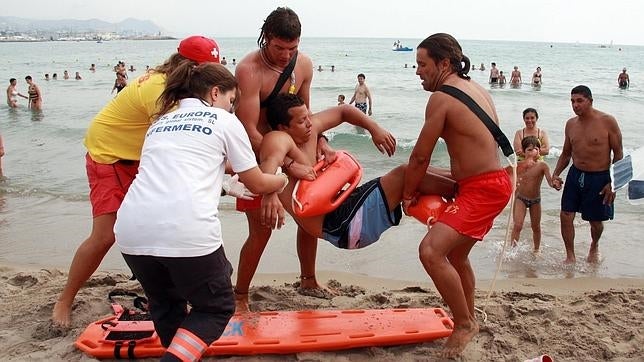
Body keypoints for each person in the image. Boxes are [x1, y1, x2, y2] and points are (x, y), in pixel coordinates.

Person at [114, 61, 288, 362]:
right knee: (217, 305)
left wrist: (223, 185)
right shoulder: (223, 120)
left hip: (131, 231)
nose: (232, 108)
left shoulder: (160, 122)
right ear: (215, 92)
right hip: (185, 232)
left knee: (167, 303)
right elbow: (258, 182)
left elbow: (174, 174)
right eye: (231, 101)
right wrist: (281, 178)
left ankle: (179, 355)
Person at [51, 35, 223, 328]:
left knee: (169, 223)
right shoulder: (160, 89)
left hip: (139, 157)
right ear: (188, 66)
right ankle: (64, 300)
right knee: (105, 236)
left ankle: (174, 295)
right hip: (108, 154)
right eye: (204, 70)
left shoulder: (178, 86)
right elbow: (181, 142)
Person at [402, 33, 512, 357]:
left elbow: (420, 157)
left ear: (444, 63)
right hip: (488, 183)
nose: (417, 71)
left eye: (422, 64)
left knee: (431, 251)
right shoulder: (475, 88)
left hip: (483, 189)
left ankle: (464, 323)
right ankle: (470, 316)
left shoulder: (441, 98)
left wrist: (409, 194)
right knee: (456, 256)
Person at [260, 93, 455, 249]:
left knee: (415, 170)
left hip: (348, 210)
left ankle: (461, 180)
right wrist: (269, 194)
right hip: (340, 226)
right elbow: (270, 161)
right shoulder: (278, 138)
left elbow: (344, 111)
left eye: (308, 117)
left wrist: (373, 128)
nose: (310, 123)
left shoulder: (311, 133)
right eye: (302, 121)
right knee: (404, 174)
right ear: (282, 127)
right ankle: (463, 191)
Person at [233, 7, 333, 311]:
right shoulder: (249, 70)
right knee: (262, 230)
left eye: (292, 47)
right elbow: (248, 129)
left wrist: (321, 141)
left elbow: (305, 115)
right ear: (266, 38)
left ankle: (308, 279)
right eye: (279, 47)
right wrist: (287, 164)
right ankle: (240, 295)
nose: (285, 55)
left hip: (294, 151)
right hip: (259, 158)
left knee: (308, 216)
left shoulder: (303, 65)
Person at [551, 85, 623, 264]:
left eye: (579, 101)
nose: (575, 105)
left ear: (590, 100)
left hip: (599, 178)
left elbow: (619, 154)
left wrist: (613, 184)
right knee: (566, 214)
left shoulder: (607, 121)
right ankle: (570, 256)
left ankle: (594, 245)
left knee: (595, 222)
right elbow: (566, 153)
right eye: (572, 101)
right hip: (576, 175)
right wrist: (556, 174)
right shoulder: (571, 124)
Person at [508, 136, 554, 252]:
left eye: (536, 149)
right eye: (529, 149)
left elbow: (550, 181)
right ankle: (512, 250)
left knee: (536, 227)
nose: (533, 151)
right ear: (523, 152)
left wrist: (555, 183)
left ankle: (536, 250)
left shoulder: (542, 166)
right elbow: (506, 176)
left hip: (535, 200)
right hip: (520, 199)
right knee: (518, 225)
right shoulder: (519, 165)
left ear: (539, 151)